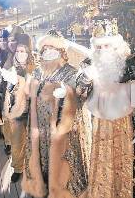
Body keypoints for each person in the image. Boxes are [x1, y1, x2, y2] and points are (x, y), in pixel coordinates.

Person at [79, 19, 135, 198]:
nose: (102, 51)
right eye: (98, 47)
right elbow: (81, 94)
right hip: (101, 126)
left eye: (106, 46)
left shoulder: (131, 64)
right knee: (103, 163)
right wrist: (85, 80)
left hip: (127, 126)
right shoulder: (91, 64)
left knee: (128, 166)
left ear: (116, 45)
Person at [21, 30, 91, 198]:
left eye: (52, 49)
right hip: (40, 126)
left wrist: (68, 92)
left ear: (61, 52)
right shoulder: (38, 71)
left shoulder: (72, 72)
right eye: (45, 49)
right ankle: (42, 184)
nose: (48, 52)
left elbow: (83, 92)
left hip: (61, 131)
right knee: (41, 157)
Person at [1, 32, 33, 183]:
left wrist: (21, 81)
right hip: (15, 112)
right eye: (18, 51)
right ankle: (18, 167)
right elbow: (6, 90)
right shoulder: (11, 65)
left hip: (31, 111)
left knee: (33, 142)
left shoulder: (34, 68)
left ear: (28, 53)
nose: (20, 54)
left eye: (23, 51)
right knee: (17, 142)